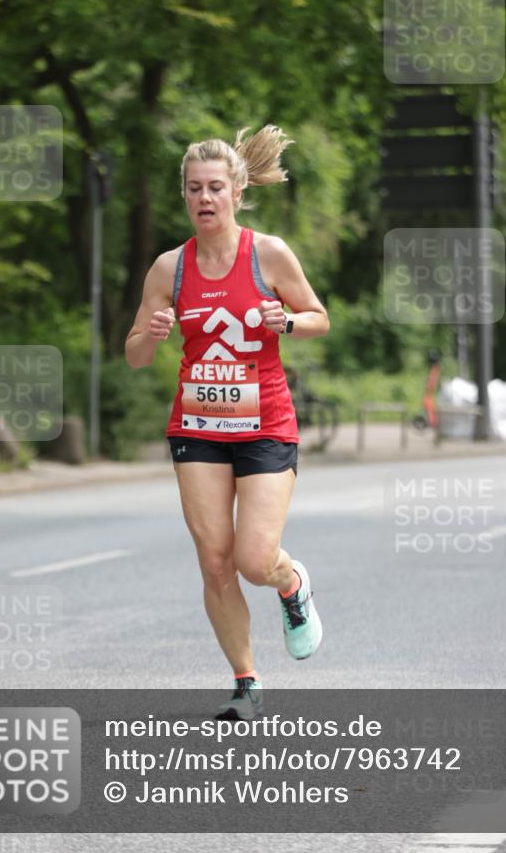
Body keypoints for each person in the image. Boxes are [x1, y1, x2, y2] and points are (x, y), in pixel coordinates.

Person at [125, 125, 330, 719]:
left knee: (252, 557)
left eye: (216, 187)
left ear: (237, 192)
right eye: (194, 189)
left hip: (265, 423)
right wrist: (150, 335)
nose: (204, 198)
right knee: (214, 560)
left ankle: (292, 585)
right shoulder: (169, 269)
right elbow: (135, 354)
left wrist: (286, 323)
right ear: (184, 197)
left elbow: (319, 316)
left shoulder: (269, 255)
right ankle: (246, 681)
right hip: (197, 427)